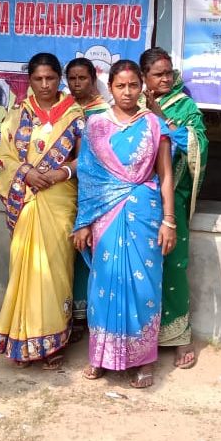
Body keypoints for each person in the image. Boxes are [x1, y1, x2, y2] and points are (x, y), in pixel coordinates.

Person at [73, 59, 181, 389]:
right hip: (105, 215)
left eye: (133, 85)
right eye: (120, 86)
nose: (127, 92)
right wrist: (83, 222)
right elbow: (89, 179)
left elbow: (164, 177)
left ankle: (142, 361)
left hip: (144, 216)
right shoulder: (96, 126)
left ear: (141, 87)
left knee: (143, 287)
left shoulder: (153, 124)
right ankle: (102, 356)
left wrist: (169, 221)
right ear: (110, 87)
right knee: (104, 285)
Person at [0, 53, 84, 369]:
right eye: (38, 79)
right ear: (29, 80)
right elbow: (3, 157)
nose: (45, 85)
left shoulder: (75, 116)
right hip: (27, 200)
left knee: (55, 273)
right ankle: (22, 339)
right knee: (24, 270)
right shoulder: (18, 114)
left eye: (51, 78)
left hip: (59, 201)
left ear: (60, 79)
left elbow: (88, 160)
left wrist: (61, 173)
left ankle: (53, 342)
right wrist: (26, 173)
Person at [140, 46, 208, 369]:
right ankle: (140, 336)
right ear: (144, 77)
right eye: (158, 74)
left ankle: (179, 335)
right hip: (138, 197)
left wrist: (162, 119)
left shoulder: (184, 106)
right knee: (140, 265)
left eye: (169, 72)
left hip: (172, 194)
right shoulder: (132, 101)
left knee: (174, 264)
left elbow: (196, 144)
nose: (166, 79)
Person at [63, 56, 110, 342]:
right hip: (67, 188)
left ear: (93, 78)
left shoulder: (106, 111)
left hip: (98, 190)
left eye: (82, 78)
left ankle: (94, 315)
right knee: (69, 250)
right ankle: (71, 315)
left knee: (91, 250)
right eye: (72, 78)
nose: (77, 84)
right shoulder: (64, 109)